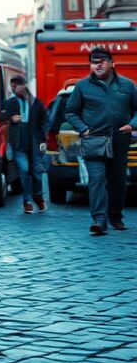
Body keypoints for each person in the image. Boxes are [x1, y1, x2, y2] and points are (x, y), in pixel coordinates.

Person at [63, 47, 137, 235]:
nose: (97, 65)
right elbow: (71, 111)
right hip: (94, 140)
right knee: (96, 179)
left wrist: (132, 125)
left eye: (101, 61)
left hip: (120, 140)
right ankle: (99, 220)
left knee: (118, 181)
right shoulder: (82, 86)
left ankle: (115, 216)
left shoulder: (128, 86)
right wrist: (84, 129)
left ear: (112, 63)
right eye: (94, 62)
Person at [0, 75, 48, 214]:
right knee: (24, 170)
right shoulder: (10, 103)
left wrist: (43, 138)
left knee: (36, 172)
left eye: (15, 86)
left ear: (23, 86)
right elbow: (0, 117)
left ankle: (38, 196)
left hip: (35, 144)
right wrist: (10, 117)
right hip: (18, 143)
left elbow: (45, 120)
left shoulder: (36, 103)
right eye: (12, 87)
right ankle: (27, 201)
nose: (13, 89)